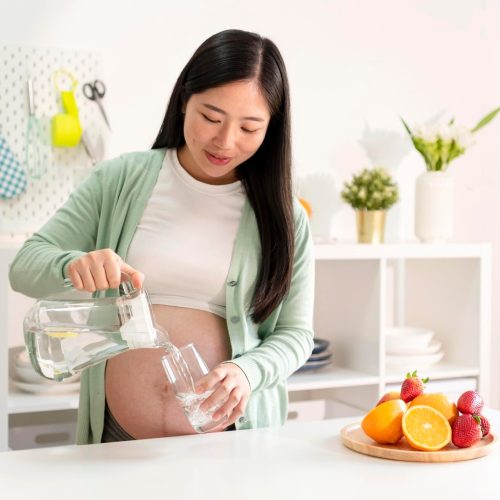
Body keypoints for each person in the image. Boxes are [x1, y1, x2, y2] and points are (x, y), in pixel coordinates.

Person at [9, 29, 315, 444]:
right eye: (211, 116)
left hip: (229, 444)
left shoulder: (285, 217)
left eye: (249, 127)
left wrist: (248, 371)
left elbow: (296, 335)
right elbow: (24, 268)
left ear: (271, 129)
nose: (226, 141)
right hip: (117, 438)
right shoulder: (120, 180)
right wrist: (72, 266)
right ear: (184, 98)